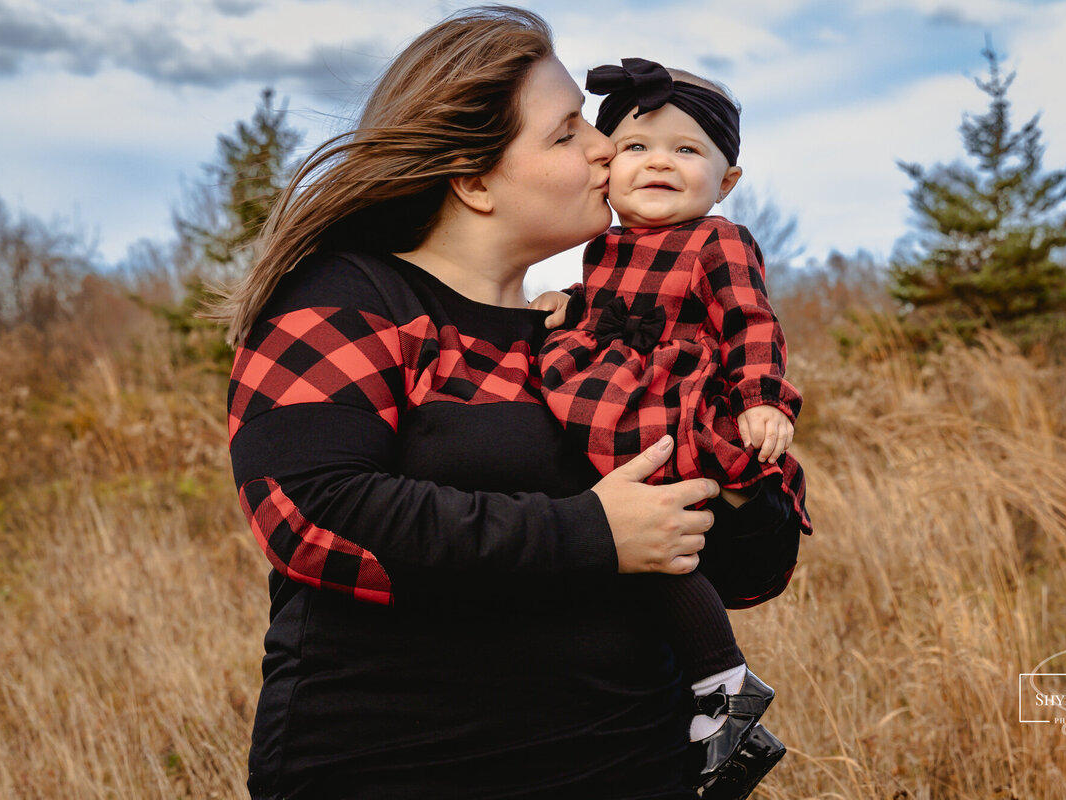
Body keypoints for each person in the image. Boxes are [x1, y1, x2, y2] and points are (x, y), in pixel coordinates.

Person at [216, 8, 801, 799]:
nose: (605, 146)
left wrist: (740, 475)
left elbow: (747, 574)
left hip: (637, 769)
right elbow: (312, 516)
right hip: (399, 773)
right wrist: (591, 533)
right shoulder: (349, 298)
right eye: (566, 134)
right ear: (472, 179)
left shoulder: (586, 335)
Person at [535, 58, 813, 794]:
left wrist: (761, 398)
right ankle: (709, 690)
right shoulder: (603, 246)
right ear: (606, 168)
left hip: (672, 410)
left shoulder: (719, 240)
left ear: (726, 180)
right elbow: (607, 302)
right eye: (636, 146)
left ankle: (725, 682)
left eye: (687, 149)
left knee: (659, 538)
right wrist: (569, 304)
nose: (659, 161)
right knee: (625, 541)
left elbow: (751, 321)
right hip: (610, 403)